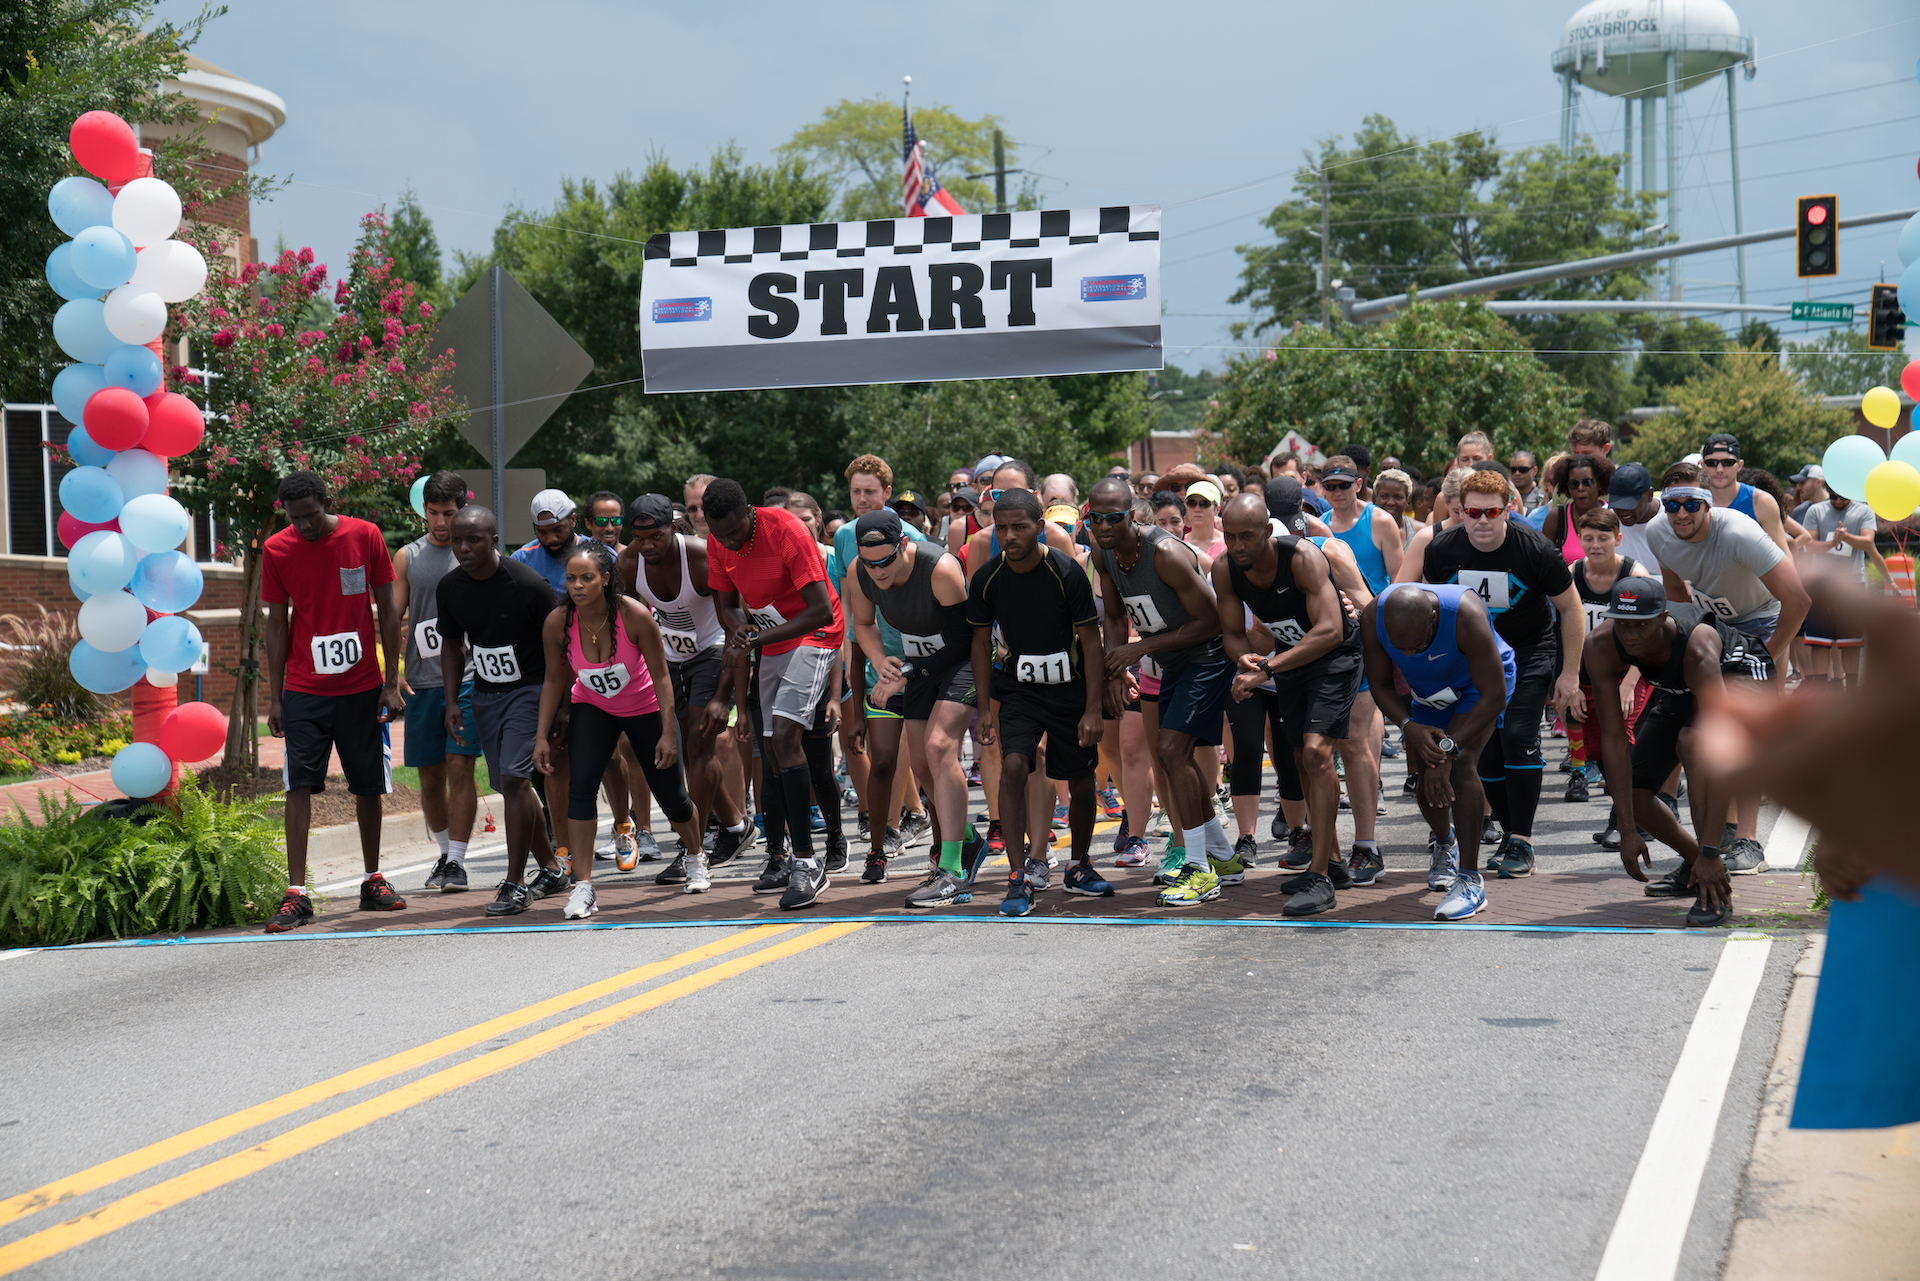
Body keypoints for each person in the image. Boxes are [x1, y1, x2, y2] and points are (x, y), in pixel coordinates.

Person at [1399, 466, 1584, 879]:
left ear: (1508, 510)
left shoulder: (1535, 550)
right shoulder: (1442, 549)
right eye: (1473, 512)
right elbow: (1433, 607)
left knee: (1518, 734)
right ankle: (1507, 833)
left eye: (1491, 512)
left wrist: (1568, 673)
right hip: (1472, 659)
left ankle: (1522, 838)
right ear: (1459, 511)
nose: (1482, 521)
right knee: (1485, 749)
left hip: (1529, 651)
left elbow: (1570, 608)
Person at [260, 471, 407, 933]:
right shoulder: (276, 550)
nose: (303, 525)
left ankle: (372, 880)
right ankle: (296, 893)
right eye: (294, 517)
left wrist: (391, 680)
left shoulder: (364, 535)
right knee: (297, 784)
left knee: (367, 785)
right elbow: (277, 624)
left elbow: (387, 607)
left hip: (363, 686)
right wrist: (276, 695)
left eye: (311, 515)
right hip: (305, 689)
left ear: (327, 501)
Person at [1643, 460, 1809, 868]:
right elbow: (1672, 587)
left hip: (1761, 622)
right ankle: (1724, 831)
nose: (1681, 513)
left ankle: (1750, 841)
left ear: (1708, 504)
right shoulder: (1657, 532)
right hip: (1710, 624)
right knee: (1699, 732)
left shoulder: (1738, 531)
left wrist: (1765, 656)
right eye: (1671, 504)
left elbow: (1799, 600)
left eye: (1691, 504)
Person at [1585, 577, 1774, 926]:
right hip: (1683, 689)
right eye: (1622, 623)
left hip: (1742, 675)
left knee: (1693, 742)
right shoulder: (1600, 644)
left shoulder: (1696, 648)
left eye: (1640, 625)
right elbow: (1613, 737)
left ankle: (1711, 876)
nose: (1629, 634)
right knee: (1637, 795)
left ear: (1662, 618)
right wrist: (1626, 827)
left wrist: (1711, 849)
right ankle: (1697, 866)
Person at [533, 543, 705, 917]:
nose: (577, 586)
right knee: (580, 788)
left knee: (672, 797)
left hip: (644, 708)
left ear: (606, 579)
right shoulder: (558, 621)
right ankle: (584, 886)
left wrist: (668, 732)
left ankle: (695, 855)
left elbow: (662, 676)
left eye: (587, 578)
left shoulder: (635, 615)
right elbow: (552, 679)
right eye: (571, 579)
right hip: (592, 706)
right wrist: (541, 736)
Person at [698, 479, 846, 910]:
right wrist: (736, 626)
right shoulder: (717, 540)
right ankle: (780, 856)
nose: (727, 541)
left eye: (734, 532)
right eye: (718, 533)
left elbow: (820, 609)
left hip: (816, 631)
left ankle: (806, 862)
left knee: (785, 739)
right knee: (771, 749)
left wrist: (755, 641)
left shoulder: (785, 530)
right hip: (771, 635)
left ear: (750, 512)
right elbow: (726, 605)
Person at [1087, 478, 1235, 905]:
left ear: (1131, 516)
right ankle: (1223, 857)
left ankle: (1199, 869)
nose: (1104, 525)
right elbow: (1114, 616)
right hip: (1173, 661)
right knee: (1172, 758)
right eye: (1095, 518)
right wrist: (1118, 666)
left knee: (1171, 753)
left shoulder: (1166, 553)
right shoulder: (1104, 552)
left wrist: (1143, 647)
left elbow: (1211, 621)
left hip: (1207, 658)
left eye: (1113, 517)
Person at [1214, 492, 1362, 915]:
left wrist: (1267, 669)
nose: (1238, 545)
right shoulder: (1226, 568)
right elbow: (1231, 631)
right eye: (1230, 537)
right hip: (1290, 661)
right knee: (1299, 759)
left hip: (1333, 658)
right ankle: (1332, 863)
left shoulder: (1301, 558)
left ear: (1267, 531)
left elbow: (1332, 630)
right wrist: (1242, 657)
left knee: (1317, 753)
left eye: (1247, 536)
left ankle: (1319, 878)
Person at [970, 488, 1111, 917]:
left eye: (1020, 527)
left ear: (1040, 527)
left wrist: (1092, 708)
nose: (1010, 535)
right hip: (1020, 690)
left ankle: (1080, 864)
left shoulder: (1066, 572)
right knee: (1014, 765)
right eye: (1002, 527)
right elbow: (978, 643)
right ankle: (1018, 877)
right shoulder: (988, 577)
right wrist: (981, 708)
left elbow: (1091, 641)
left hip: (1069, 690)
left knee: (1081, 779)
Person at [846, 508, 987, 904]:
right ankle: (969, 840)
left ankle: (954, 868)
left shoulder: (938, 569)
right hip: (919, 665)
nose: (877, 571)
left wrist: (906, 674)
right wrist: (878, 660)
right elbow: (862, 624)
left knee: (939, 747)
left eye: (886, 561)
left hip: (959, 661)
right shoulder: (861, 571)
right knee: (922, 766)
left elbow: (963, 642)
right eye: (869, 562)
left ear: (904, 545)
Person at [435, 506, 570, 917]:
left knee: (514, 779)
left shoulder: (528, 584)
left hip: (531, 691)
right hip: (486, 695)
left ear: (494, 541)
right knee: (509, 785)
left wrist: (563, 705)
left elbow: (564, 644)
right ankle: (550, 867)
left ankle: (515, 883)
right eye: (456, 540)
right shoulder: (450, 588)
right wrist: (452, 699)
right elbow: (452, 646)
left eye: (473, 539)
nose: (463, 548)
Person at [619, 494, 755, 875]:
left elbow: (735, 627)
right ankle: (736, 826)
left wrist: (724, 696)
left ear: (673, 529)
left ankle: (692, 843)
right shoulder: (629, 563)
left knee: (699, 746)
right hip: (669, 658)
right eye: (640, 537)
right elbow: (626, 623)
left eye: (656, 537)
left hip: (713, 651)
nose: (647, 546)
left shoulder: (701, 557)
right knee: (684, 750)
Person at [1363, 584, 1516, 921]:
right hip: (1430, 694)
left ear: (1433, 618)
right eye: (1402, 650)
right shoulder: (1373, 615)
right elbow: (1381, 685)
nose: (1411, 655)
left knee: (1459, 764)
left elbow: (1494, 695)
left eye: (1418, 645)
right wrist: (1407, 726)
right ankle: (1446, 842)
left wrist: (1449, 748)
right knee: (1426, 775)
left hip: (1478, 688)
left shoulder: (1466, 615)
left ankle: (1470, 880)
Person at [828, 454, 930, 855]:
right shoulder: (843, 536)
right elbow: (849, 603)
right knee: (878, 743)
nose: (862, 499)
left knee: (904, 736)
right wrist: (850, 648)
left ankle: (897, 823)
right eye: (856, 491)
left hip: (911, 648)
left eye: (870, 491)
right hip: (869, 647)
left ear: (887, 493)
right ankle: (905, 818)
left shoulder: (911, 537)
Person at [393, 470, 479, 894]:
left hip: (469, 678)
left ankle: (460, 861)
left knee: (461, 767)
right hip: (423, 680)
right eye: (433, 513)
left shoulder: (477, 551)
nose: (442, 522)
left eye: (449, 512)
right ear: (423, 511)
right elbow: (391, 617)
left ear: (463, 508)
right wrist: (390, 670)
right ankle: (444, 854)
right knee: (429, 776)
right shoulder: (408, 556)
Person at [1564, 508, 1653, 804]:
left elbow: (1651, 638)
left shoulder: (1634, 576)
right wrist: (1571, 681)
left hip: (1631, 669)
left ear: (1618, 539)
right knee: (1599, 750)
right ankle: (1624, 804)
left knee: (1619, 735)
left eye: (1603, 538)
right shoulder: (1573, 575)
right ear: (1579, 539)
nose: (1595, 546)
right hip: (1589, 673)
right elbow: (1561, 633)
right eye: (1588, 539)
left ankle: (1626, 814)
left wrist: (1629, 682)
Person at [581, 488, 648, 867]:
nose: (609, 527)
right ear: (588, 523)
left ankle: (642, 829)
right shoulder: (580, 559)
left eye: (616, 519)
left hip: (628, 663)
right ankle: (621, 825)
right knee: (608, 754)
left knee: (632, 751)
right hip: (590, 668)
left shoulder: (630, 559)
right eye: (601, 520)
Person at [1796, 486, 1878, 689]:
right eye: (1833, 496)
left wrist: (1846, 537)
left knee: (1851, 642)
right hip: (1821, 585)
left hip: (1852, 585)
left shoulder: (1864, 511)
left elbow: (1868, 542)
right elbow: (1809, 544)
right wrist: (1832, 543)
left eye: (1843, 497)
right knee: (1819, 640)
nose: (1837, 501)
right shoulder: (1816, 510)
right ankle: (1822, 689)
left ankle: (1850, 690)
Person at [1700, 433, 1790, 553]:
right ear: (1702, 466)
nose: (1719, 470)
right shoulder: (1690, 503)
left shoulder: (1761, 502)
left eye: (1727, 462)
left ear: (1739, 465)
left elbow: (1783, 555)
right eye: (1712, 463)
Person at [1541, 453, 1616, 566]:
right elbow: (1544, 563)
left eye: (1588, 482)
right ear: (1567, 488)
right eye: (1574, 484)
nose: (1580, 488)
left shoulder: (1613, 514)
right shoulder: (1557, 517)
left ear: (1599, 484)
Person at [512, 489, 590, 592]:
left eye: (558, 530)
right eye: (542, 532)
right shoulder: (521, 560)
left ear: (573, 520)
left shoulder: (599, 554)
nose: (551, 539)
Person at [1605, 463, 1662, 577]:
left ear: (1650, 495)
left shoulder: (1673, 518)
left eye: (1630, 505)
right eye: (1618, 505)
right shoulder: (1606, 519)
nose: (1623, 512)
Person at [1372, 468, 1423, 550]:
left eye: (1398, 497)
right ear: (1376, 497)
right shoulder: (1362, 530)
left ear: (1408, 499)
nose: (1390, 502)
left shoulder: (1420, 532)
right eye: (1384, 496)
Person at [1182, 480, 1226, 564]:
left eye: (1204, 504)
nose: (1197, 509)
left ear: (1217, 509)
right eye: (1192, 503)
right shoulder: (1180, 542)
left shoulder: (1227, 544)